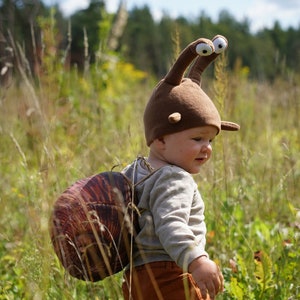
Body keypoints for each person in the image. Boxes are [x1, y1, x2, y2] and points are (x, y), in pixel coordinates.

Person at [121, 35, 240, 300]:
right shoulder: (175, 177)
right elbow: (170, 223)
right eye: (197, 138)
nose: (206, 147)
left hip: (135, 279)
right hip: (171, 274)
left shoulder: (133, 171)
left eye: (210, 139)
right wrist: (197, 261)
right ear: (161, 138)